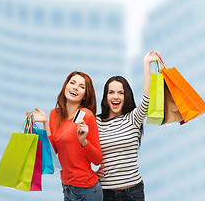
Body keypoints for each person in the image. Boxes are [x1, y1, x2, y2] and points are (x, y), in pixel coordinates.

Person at [27, 71, 103, 201]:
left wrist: (83, 141)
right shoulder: (55, 114)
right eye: (72, 83)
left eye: (81, 86)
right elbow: (53, 151)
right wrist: (45, 123)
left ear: (85, 95)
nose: (75, 87)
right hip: (67, 187)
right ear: (65, 86)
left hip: (87, 190)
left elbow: (97, 159)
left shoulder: (86, 115)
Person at [96, 50, 160, 201]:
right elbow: (82, 151)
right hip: (105, 193)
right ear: (106, 97)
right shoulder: (95, 122)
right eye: (111, 92)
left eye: (121, 92)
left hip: (133, 192)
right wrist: (91, 171)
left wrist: (146, 64)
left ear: (126, 96)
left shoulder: (133, 118)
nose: (116, 96)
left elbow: (147, 97)